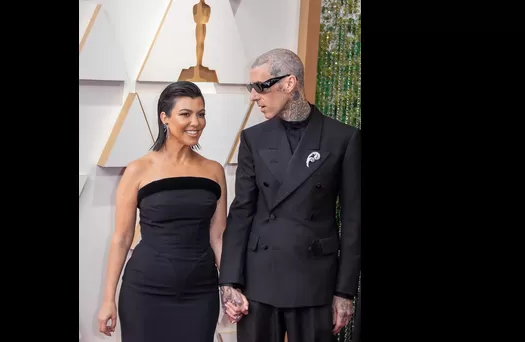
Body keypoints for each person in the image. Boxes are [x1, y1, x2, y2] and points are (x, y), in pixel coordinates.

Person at [219, 48, 361, 342]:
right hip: (259, 282)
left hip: (315, 282)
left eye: (261, 87)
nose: (253, 97)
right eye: (251, 88)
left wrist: (344, 292)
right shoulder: (253, 139)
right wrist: (230, 281)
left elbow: (353, 222)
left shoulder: (344, 138)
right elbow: (242, 211)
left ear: (289, 83)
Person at [96, 81, 228, 342]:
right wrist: (108, 299)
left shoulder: (214, 171)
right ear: (164, 118)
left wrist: (229, 288)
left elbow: (219, 237)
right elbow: (121, 238)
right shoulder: (138, 170)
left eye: (201, 114)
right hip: (145, 292)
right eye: (186, 114)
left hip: (200, 293)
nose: (196, 122)